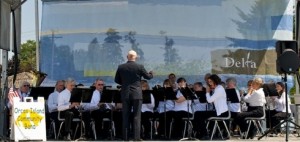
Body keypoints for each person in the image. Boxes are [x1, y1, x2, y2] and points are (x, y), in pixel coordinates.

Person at [114, 50, 153, 141]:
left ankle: (126, 138)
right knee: (136, 116)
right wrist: (151, 73)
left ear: (127, 57)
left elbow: (116, 80)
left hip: (125, 93)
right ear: (135, 57)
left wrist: (124, 84)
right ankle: (136, 138)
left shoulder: (121, 67)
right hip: (137, 94)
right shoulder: (139, 67)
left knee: (125, 115)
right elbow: (148, 77)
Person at [205, 74, 229, 139]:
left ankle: (204, 134)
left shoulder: (219, 89)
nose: (209, 83)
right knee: (199, 114)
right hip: (218, 112)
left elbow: (209, 100)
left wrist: (207, 92)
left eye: (210, 82)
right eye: (208, 82)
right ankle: (204, 133)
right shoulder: (216, 89)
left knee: (199, 114)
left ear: (215, 81)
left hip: (222, 113)